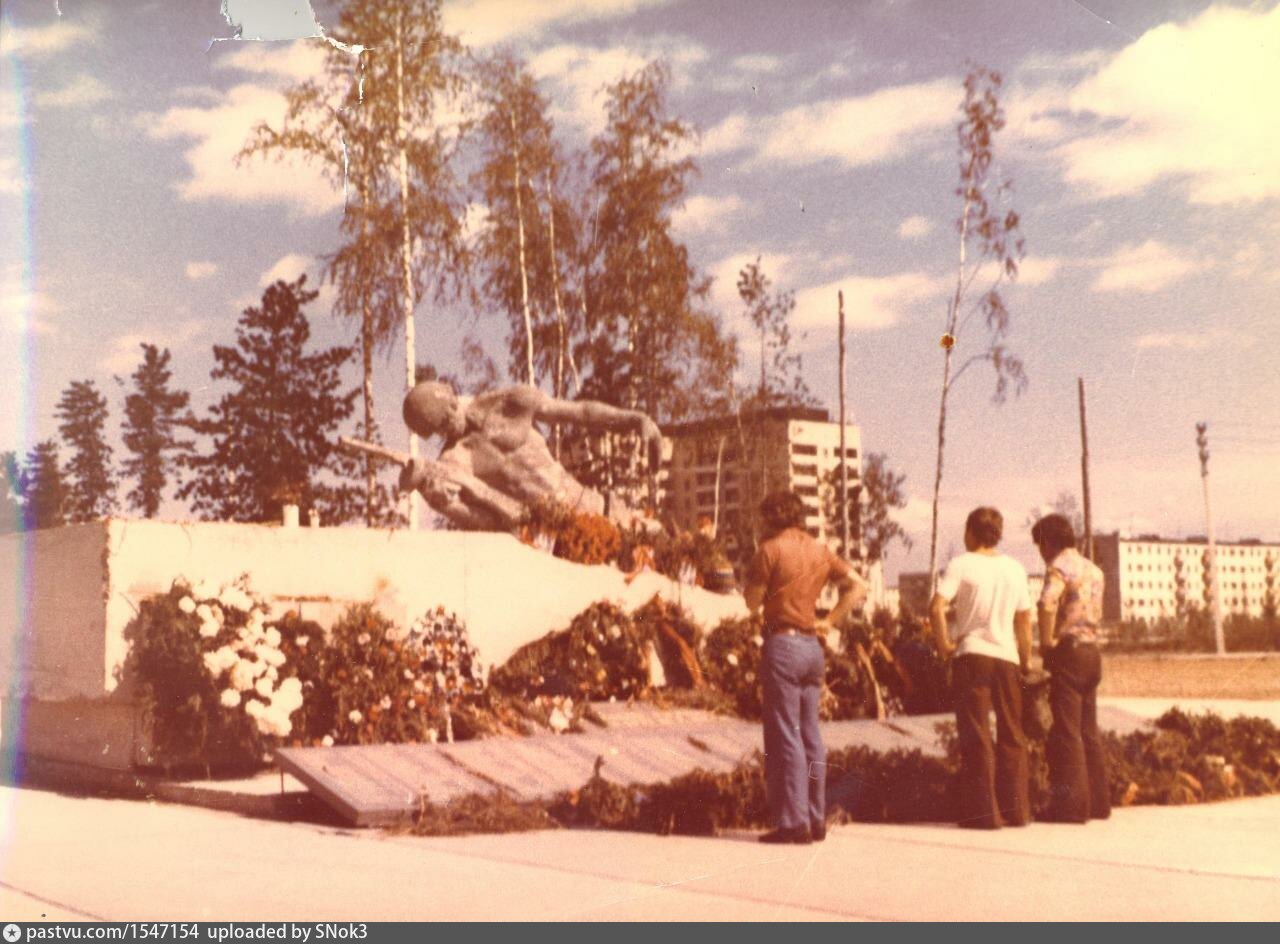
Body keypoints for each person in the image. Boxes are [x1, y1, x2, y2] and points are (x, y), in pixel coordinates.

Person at [744, 491, 866, 844]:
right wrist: (831, 619)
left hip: (782, 643)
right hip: (812, 645)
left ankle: (792, 822)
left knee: (786, 735)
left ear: (771, 518)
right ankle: (816, 817)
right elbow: (858, 587)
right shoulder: (820, 550)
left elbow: (752, 603)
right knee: (811, 734)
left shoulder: (769, 550)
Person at [397, 381, 662, 531]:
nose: (448, 426)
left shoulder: (507, 403)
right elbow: (487, 522)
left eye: (448, 414)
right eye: (439, 428)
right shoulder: (454, 461)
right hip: (550, 539)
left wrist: (635, 420)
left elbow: (580, 413)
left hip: (593, 506)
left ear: (454, 398)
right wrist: (440, 502)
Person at [930, 507, 1033, 829]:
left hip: (972, 654)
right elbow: (1024, 618)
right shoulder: (1015, 569)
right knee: (1013, 734)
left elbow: (937, 607)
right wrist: (1025, 659)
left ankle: (984, 813)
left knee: (977, 734)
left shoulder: (961, 564)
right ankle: (1017, 811)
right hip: (1007, 657)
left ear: (971, 532)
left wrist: (944, 645)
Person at [1032, 513, 1111, 823]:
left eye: (1040, 544)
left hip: (1069, 652)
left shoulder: (1059, 567)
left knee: (1067, 732)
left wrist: (1047, 640)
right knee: (1089, 731)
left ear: (1049, 541)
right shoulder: (1094, 570)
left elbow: (1046, 603)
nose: (1041, 551)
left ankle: (1072, 807)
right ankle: (1099, 803)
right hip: (1092, 651)